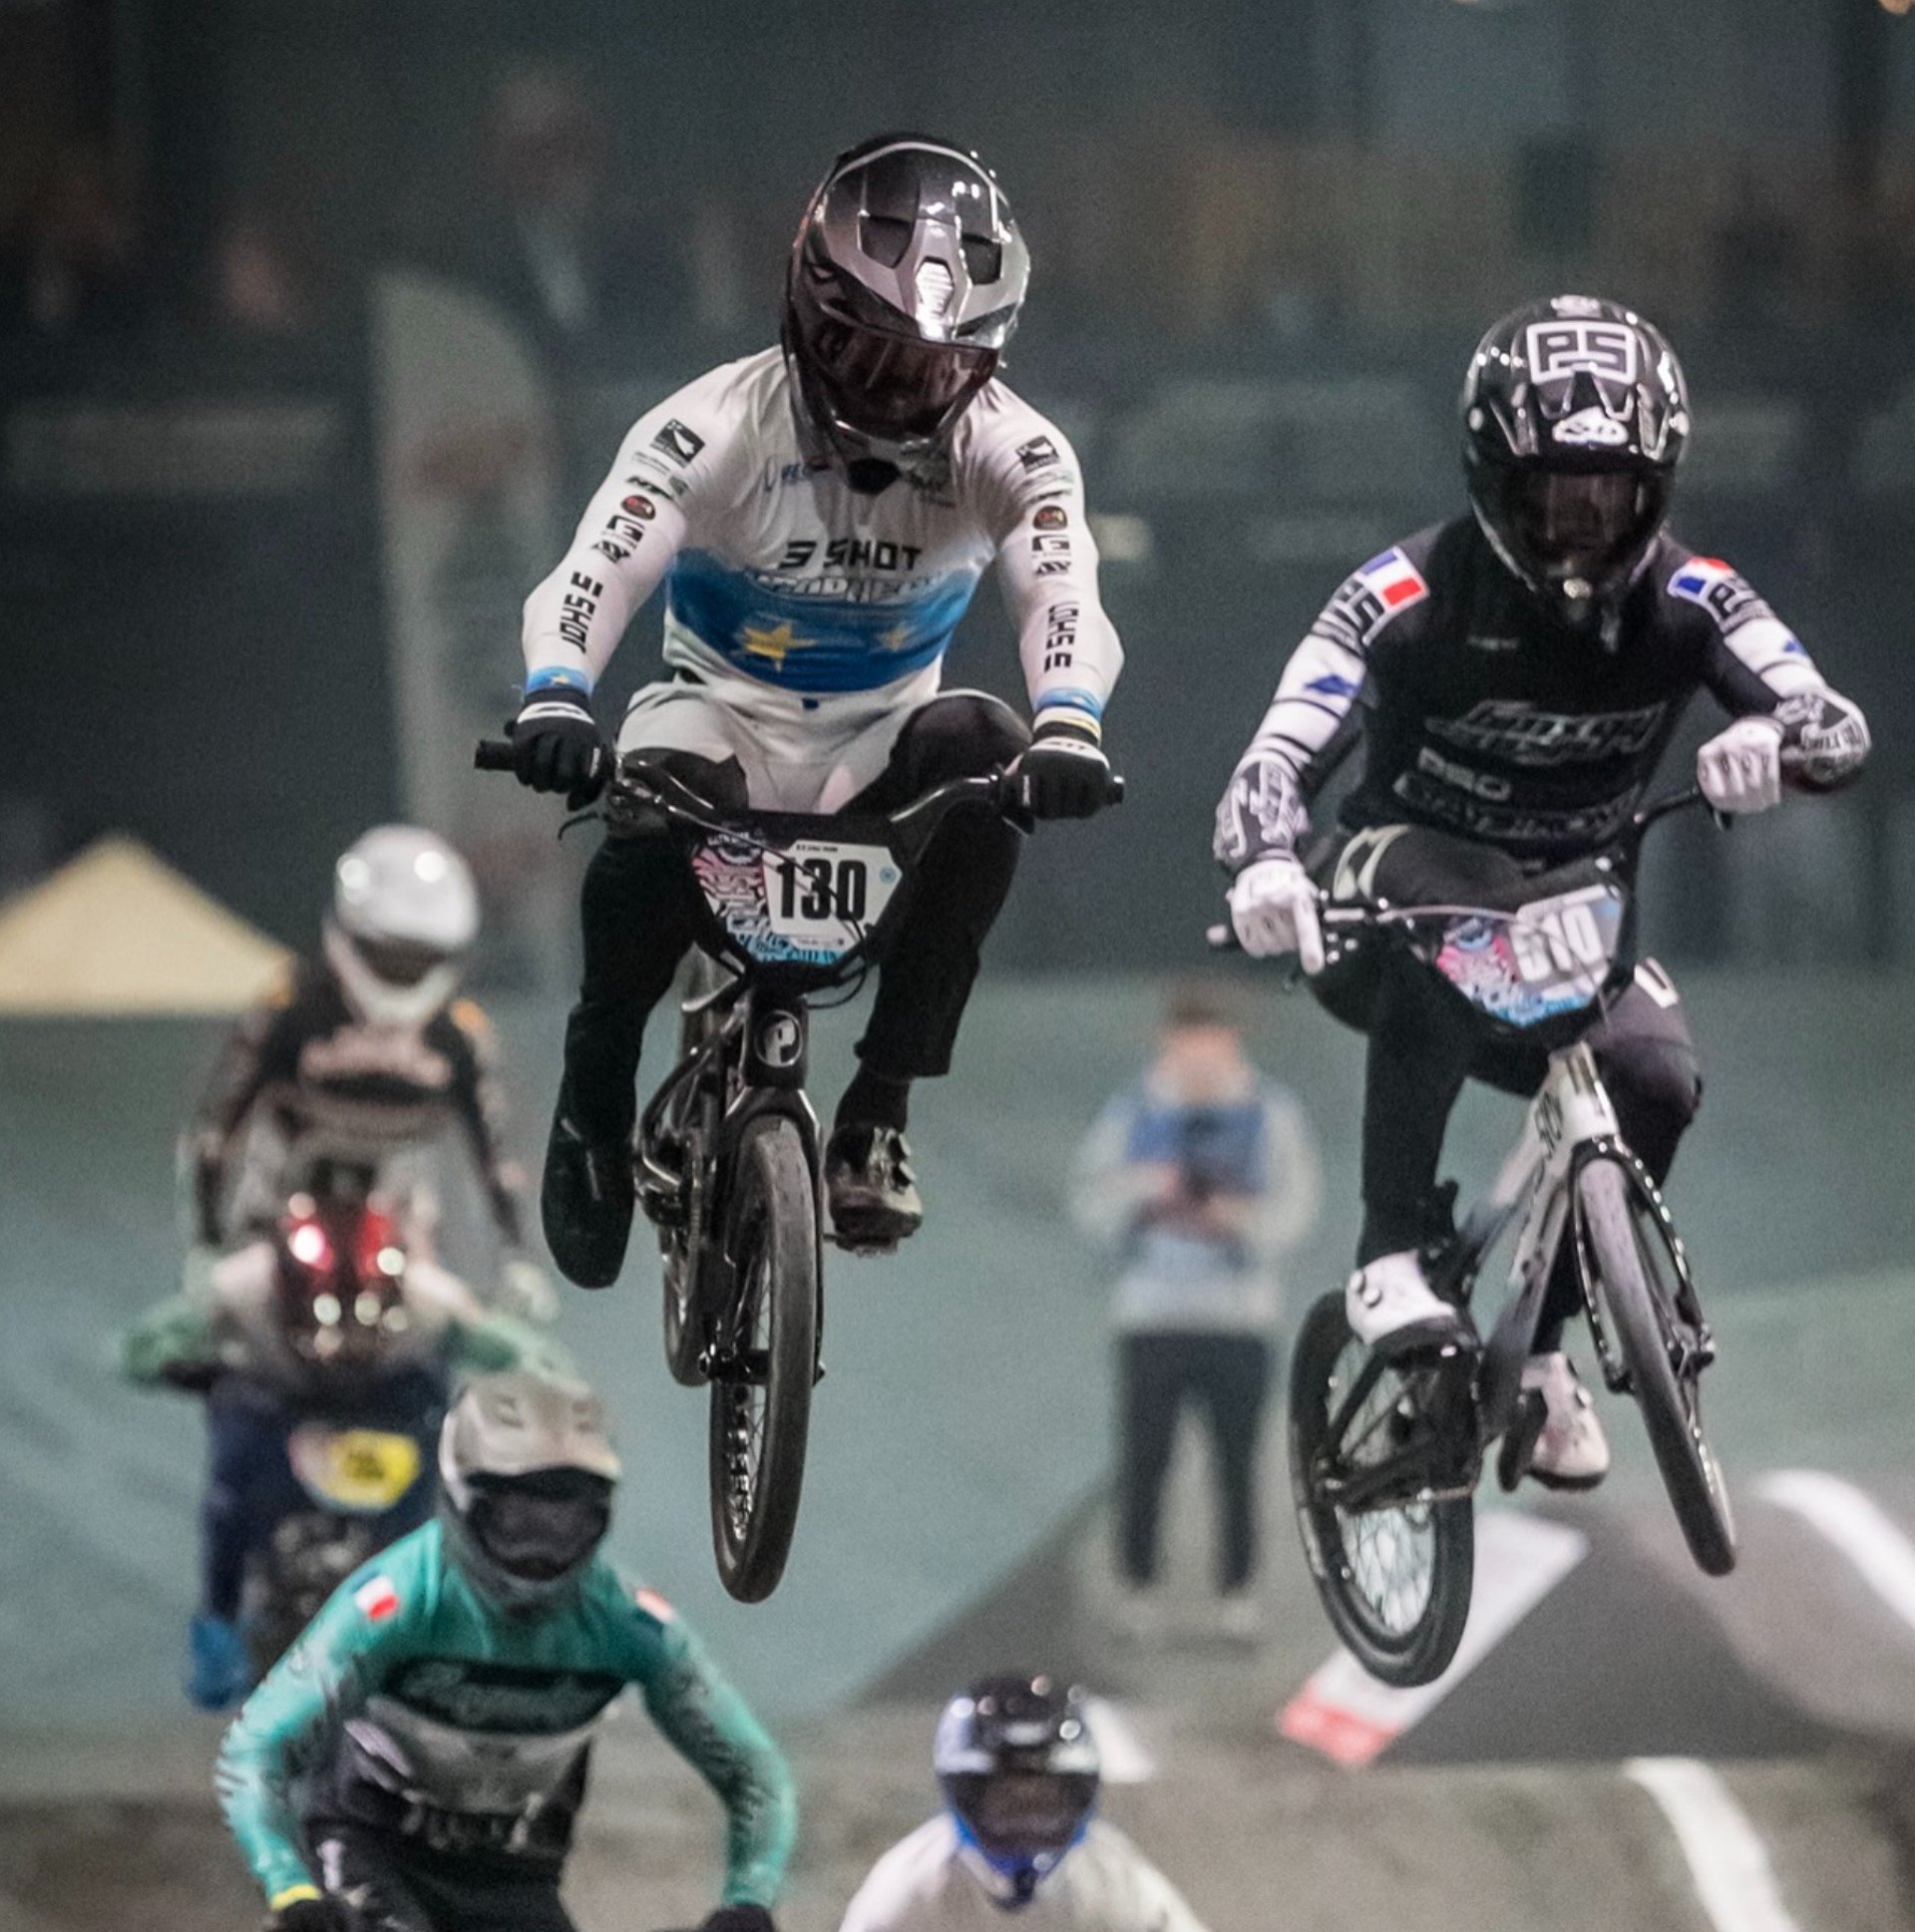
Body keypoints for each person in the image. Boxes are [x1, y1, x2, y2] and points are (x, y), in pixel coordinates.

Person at [1216, 294, 1870, 1487]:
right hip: (1389, 889)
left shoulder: (1697, 598)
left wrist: (1776, 739)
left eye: (1610, 495)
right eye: (1554, 493)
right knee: (1453, 925)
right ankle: (1387, 1251)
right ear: (1489, 478)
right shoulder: (1402, 591)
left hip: (1573, 914)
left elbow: (1831, 717)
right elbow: (1281, 745)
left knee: (1658, 1078)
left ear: (1657, 489)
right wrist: (1263, 858)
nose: (1581, 523)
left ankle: (1543, 1352)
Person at [507, 133, 1124, 1285]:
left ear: (985, 357)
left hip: (878, 748)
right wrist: (557, 695)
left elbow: (1062, 589)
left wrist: (1069, 721)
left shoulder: (1017, 448)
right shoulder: (712, 423)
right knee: (648, 795)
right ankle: (597, 1078)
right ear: (808, 307)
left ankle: (877, 1109)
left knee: (991, 748)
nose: (895, 394)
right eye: (870, 354)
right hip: (718, 719)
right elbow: (598, 568)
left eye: (931, 369)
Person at [216, 1368, 794, 1932]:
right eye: (517, 1522)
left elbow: (755, 1773)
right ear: (460, 1500)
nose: (540, 1555)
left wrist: (746, 1905)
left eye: (566, 1523)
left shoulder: (625, 1622)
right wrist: (292, 1888)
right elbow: (257, 1748)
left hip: (513, 1879)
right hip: (371, 1854)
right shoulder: (398, 1602)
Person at [121, 1186, 556, 1710]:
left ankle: (408, 1622)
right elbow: (144, 1350)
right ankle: (221, 1624)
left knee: (414, 1519)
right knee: (234, 1501)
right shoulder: (246, 1287)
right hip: (284, 1438)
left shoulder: (426, 1301)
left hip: (381, 1449)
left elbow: (521, 1355)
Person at [184, 825, 553, 1321]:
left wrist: (518, 1261)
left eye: (420, 958)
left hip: (403, 1231)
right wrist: (209, 1244)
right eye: (391, 955)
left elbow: (496, 1156)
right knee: (226, 1316)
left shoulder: (461, 1036)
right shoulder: (290, 1011)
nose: (404, 972)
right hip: (276, 1219)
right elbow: (215, 1130)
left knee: (455, 1328)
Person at [1070, 982, 1320, 1635]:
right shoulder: (1131, 1111)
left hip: (1239, 1318)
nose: (1199, 1056)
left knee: (1237, 1461)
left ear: (1232, 1041)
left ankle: (1238, 1590)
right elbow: (1091, 1199)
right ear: (1168, 1042)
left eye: (1211, 1042)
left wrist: (1236, 1219)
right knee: (1144, 1458)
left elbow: (1295, 1205)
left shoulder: (1272, 1112)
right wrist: (1147, 1193)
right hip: (1151, 1316)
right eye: (1188, 1042)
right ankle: (1137, 1585)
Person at [839, 1675, 1206, 1930]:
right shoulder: (908, 1890)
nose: (1027, 1820)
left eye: (1044, 1802)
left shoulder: (1116, 1883)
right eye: (1008, 1802)